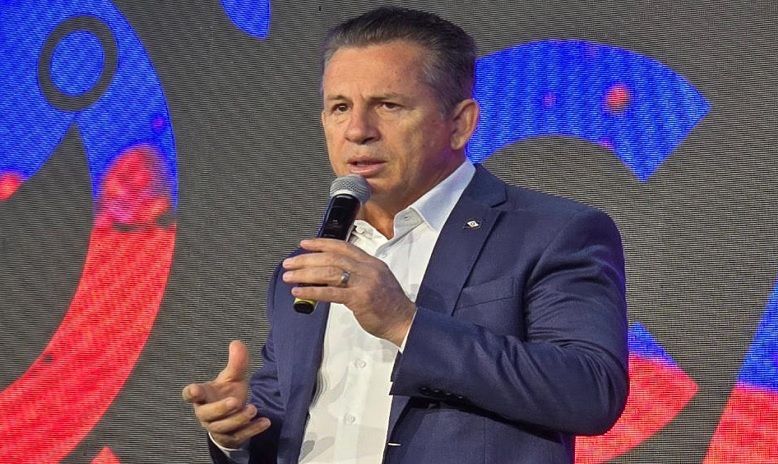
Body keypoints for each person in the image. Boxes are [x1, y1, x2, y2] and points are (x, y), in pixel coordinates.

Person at [183, 6, 628, 464]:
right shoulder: (306, 267)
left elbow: (590, 391)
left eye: (388, 105)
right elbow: (287, 423)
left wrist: (404, 323)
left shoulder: (552, 233)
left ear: (460, 124)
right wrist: (236, 432)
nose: (357, 131)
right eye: (340, 107)